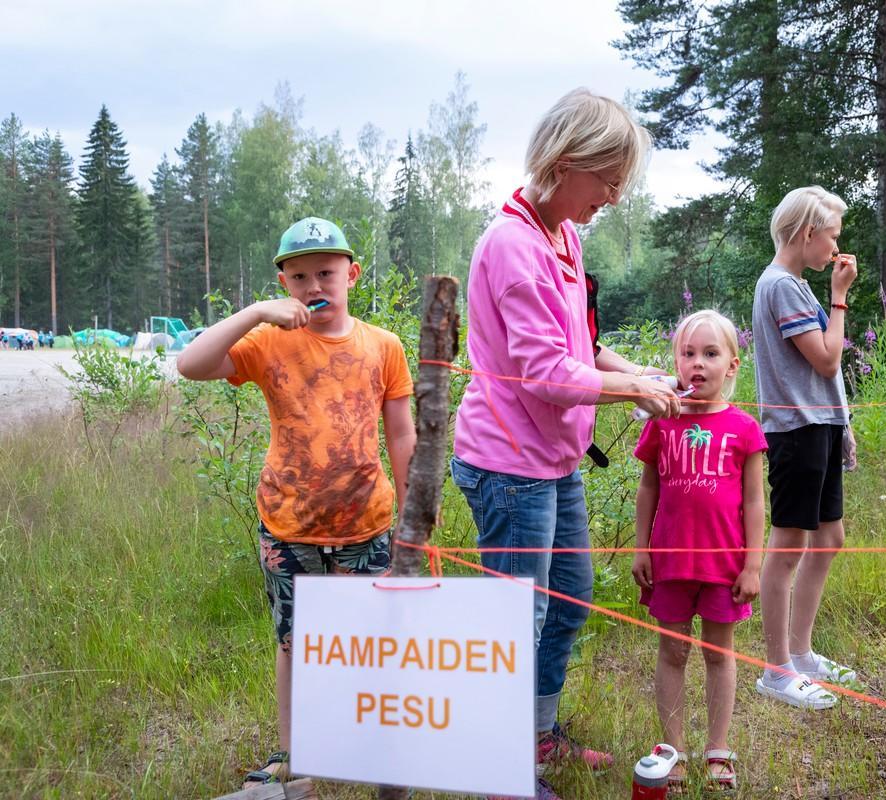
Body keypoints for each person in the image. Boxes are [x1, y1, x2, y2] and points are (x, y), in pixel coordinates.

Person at [449, 88, 680, 800]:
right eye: (607, 180)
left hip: (551, 460)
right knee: (520, 617)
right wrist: (636, 392)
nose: (612, 196)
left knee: (571, 598)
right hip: (508, 464)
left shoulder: (564, 237)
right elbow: (546, 374)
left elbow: (580, 345)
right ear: (565, 160)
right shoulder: (512, 245)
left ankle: (537, 737)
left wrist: (640, 373)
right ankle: (502, 767)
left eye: (620, 183)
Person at [176, 217, 416, 788]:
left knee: (368, 643)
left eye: (327, 273)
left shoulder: (383, 347)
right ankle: (293, 755)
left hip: (367, 527)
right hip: (289, 527)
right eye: (300, 275)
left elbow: (403, 434)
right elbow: (190, 365)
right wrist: (256, 313)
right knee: (295, 643)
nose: (315, 286)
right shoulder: (268, 342)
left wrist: (413, 516)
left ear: (351, 275)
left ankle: (369, 744)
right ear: (284, 282)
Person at [631, 310, 766, 794]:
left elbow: (754, 500)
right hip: (670, 564)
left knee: (717, 654)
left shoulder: (744, 428)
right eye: (688, 354)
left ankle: (717, 748)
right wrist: (642, 548)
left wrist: (754, 564)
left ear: (732, 365)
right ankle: (672, 751)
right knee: (671, 650)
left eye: (711, 354)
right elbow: (648, 488)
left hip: (724, 567)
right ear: (676, 362)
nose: (698, 364)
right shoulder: (662, 423)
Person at [752, 186, 860, 711]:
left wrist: (842, 424)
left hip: (820, 427)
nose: (836, 248)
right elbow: (826, 360)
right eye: (833, 236)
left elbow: (823, 371)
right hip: (796, 432)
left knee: (829, 538)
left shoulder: (794, 286)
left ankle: (800, 652)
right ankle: (776, 669)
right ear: (807, 232)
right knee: (789, 546)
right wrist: (839, 297)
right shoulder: (782, 286)